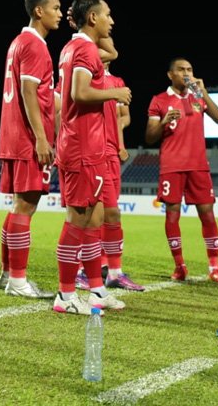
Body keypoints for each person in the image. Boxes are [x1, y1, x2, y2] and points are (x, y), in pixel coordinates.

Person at [52, 0, 132, 315]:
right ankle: (65, 294)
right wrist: (116, 92)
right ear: (93, 18)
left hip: (91, 147)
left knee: (95, 217)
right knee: (78, 219)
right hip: (82, 147)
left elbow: (111, 49)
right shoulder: (83, 48)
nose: (112, 21)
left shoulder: (79, 46)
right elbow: (79, 92)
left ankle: (96, 290)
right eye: (107, 15)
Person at [0, 0, 64, 299]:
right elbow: (28, 92)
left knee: (18, 206)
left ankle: (8, 273)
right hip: (27, 138)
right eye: (56, 9)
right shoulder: (35, 45)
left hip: (12, 135)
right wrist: (41, 138)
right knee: (26, 205)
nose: (60, 14)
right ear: (39, 11)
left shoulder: (18, 42)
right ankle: (18, 280)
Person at [144, 57, 218, 285]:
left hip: (198, 166)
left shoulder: (197, 97)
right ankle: (179, 266)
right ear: (170, 74)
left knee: (208, 213)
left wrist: (203, 92)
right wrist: (163, 122)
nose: (186, 73)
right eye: (181, 69)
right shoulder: (159, 100)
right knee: (172, 215)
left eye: (190, 69)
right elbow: (150, 137)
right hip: (172, 166)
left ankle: (214, 267)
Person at [75, 56, 145, 291]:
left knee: (112, 214)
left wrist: (119, 141)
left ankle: (114, 272)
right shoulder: (82, 75)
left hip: (111, 153)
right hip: (90, 151)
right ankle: (82, 269)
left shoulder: (117, 81)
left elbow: (123, 116)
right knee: (89, 214)